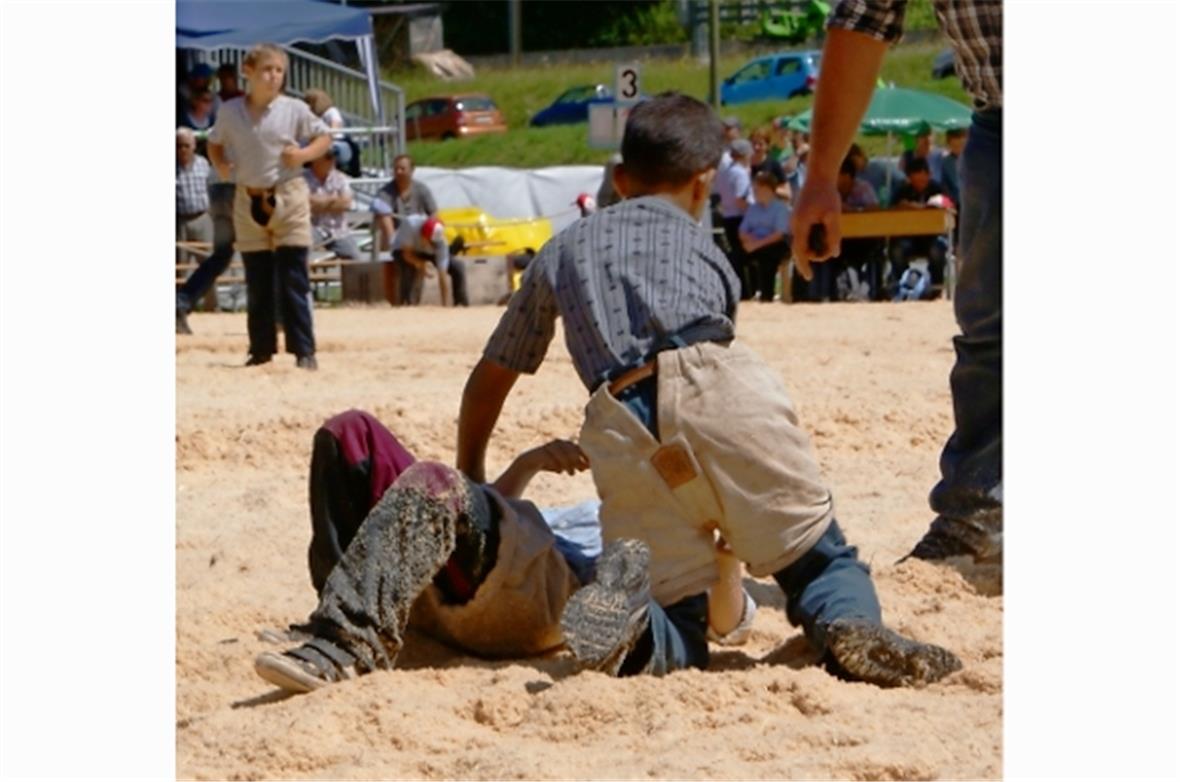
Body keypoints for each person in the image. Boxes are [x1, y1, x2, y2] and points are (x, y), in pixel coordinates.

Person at [455, 92, 962, 686]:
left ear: (620, 178)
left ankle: (642, 634)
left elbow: (492, 376)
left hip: (619, 419)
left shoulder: (562, 249)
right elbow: (714, 389)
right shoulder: (707, 250)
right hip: (715, 381)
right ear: (704, 185)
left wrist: (473, 479)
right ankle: (849, 623)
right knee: (820, 561)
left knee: (677, 610)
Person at [254, 409, 757, 692]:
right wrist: (529, 463)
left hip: (545, 589)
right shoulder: (598, 506)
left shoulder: (685, 534)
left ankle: (347, 648)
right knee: (350, 432)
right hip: (509, 556)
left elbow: (728, 625)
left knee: (438, 485)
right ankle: (334, 615)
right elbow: (481, 512)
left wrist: (726, 559)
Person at [790, 1, 1003, 577]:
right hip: (1000, 121)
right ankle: (982, 520)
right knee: (992, 333)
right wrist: (819, 178)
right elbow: (865, 20)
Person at [207, 43, 331, 370]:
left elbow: (324, 137)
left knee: (293, 277)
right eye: (267, 69)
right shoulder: (230, 111)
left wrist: (303, 156)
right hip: (247, 195)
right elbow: (214, 142)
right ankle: (260, 349)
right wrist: (220, 164)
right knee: (257, 278)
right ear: (248, 72)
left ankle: (304, 350)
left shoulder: (294, 109)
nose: (274, 76)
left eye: (279, 70)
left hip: (288, 194)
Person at [372, 154, 439, 306]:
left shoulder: (422, 190)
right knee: (405, 262)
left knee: (454, 265)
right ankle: (406, 302)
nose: (399, 172)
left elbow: (433, 214)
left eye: (403, 168)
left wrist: (430, 237)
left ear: (412, 170)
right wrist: (394, 242)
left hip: (420, 239)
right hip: (398, 242)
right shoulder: (385, 192)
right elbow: (384, 216)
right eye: (396, 168)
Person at [382, 210, 468, 307]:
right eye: (431, 242)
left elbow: (442, 276)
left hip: (424, 250)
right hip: (402, 248)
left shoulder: (440, 244)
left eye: (435, 243)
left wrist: (445, 305)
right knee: (408, 266)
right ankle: (407, 303)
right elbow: (407, 255)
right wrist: (421, 264)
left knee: (457, 267)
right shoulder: (410, 225)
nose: (433, 244)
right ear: (423, 235)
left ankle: (460, 304)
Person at [888, 157, 948, 291]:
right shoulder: (901, 190)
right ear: (909, 178)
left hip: (932, 237)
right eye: (916, 181)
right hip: (908, 237)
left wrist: (930, 207)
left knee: (937, 251)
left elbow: (949, 206)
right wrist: (901, 206)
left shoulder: (937, 188)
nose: (921, 184)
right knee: (897, 250)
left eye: (923, 180)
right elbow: (889, 211)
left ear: (929, 175)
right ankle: (903, 284)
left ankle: (936, 287)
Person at [739, 171, 791, 303]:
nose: (754, 192)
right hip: (755, 243)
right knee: (734, 258)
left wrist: (756, 245)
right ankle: (744, 296)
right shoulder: (753, 209)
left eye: (757, 189)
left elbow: (779, 234)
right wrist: (748, 241)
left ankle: (767, 297)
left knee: (767, 259)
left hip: (776, 244)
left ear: (768, 189)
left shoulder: (780, 208)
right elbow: (742, 230)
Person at [304, 148, 361, 260]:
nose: (333, 160)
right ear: (316, 159)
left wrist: (318, 202)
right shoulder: (302, 179)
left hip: (338, 230)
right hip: (313, 227)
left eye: (334, 157)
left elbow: (346, 204)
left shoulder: (340, 178)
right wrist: (332, 200)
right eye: (328, 157)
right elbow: (304, 203)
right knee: (300, 253)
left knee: (356, 258)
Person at [716, 138, 755, 299]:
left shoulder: (725, 172)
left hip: (728, 216)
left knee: (737, 256)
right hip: (740, 217)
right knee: (745, 257)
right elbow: (740, 199)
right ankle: (746, 292)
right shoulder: (739, 173)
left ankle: (741, 292)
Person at [175, 128, 213, 266]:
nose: (183, 149)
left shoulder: (203, 164)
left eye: (186, 145)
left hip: (202, 219)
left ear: (194, 146)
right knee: (180, 265)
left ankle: (209, 289)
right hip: (180, 223)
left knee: (208, 264)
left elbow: (211, 187)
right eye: (179, 146)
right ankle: (180, 289)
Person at [302, 88, 354, 171]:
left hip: (335, 142)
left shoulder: (331, 111)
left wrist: (323, 139)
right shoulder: (313, 117)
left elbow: (335, 127)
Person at [748, 128, 791, 201]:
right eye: (754, 143)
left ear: (767, 146)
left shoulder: (773, 164)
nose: (756, 147)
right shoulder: (745, 163)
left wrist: (768, 187)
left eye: (760, 144)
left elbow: (788, 193)